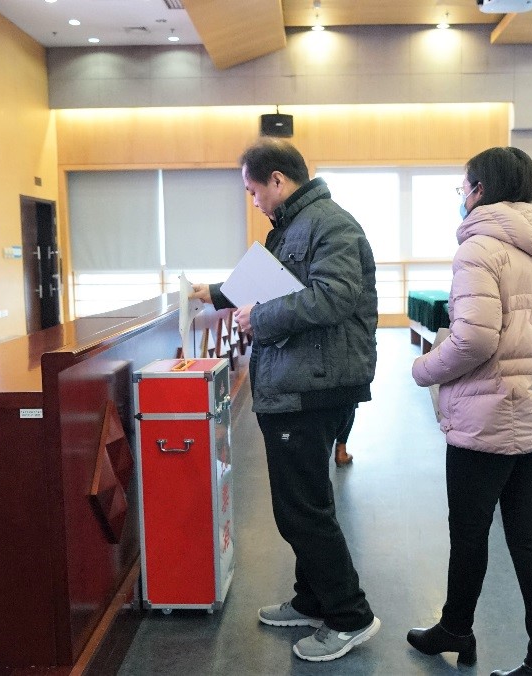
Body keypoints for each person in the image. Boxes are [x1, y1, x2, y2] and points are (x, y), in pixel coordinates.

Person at [191, 138, 381, 662]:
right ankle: (312, 599)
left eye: (254, 190)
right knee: (304, 501)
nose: (253, 201)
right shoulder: (295, 225)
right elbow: (273, 282)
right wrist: (216, 292)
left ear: (278, 180)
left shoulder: (330, 224)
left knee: (301, 510)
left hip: (313, 386)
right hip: (299, 380)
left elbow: (333, 296)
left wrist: (260, 317)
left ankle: (349, 616)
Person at [407, 147, 532, 676]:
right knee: (531, 539)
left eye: (463, 186)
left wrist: (424, 368)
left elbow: (473, 341)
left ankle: (456, 629)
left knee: (469, 532)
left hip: (487, 416)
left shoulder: (479, 248)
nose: (461, 196)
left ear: (479, 189)